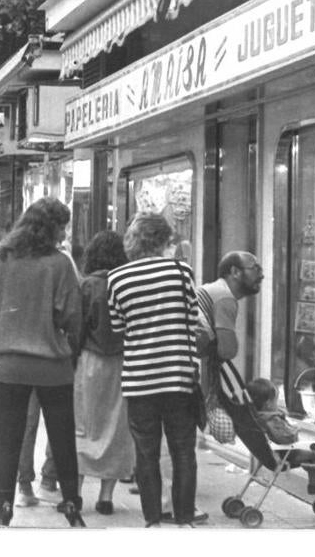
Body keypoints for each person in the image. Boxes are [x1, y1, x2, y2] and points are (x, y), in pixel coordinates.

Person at [0, 198, 85, 528]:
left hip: (9, 365)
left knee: (8, 439)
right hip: (52, 366)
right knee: (62, 438)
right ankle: (72, 505)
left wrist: (2, 340)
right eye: (62, 227)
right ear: (50, 228)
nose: (64, 234)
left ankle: (5, 507)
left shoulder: (0, 258)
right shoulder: (60, 264)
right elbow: (72, 315)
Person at [107, 212, 201, 527]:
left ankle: (152, 521)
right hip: (178, 377)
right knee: (183, 450)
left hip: (139, 379)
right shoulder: (180, 271)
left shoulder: (117, 278)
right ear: (163, 240)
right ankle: (184, 519)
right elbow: (192, 316)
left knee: (146, 452)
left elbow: (118, 326)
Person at [72, 230, 133, 516]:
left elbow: (77, 328)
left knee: (83, 425)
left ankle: (75, 492)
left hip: (89, 362)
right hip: (122, 363)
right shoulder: (126, 284)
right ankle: (106, 496)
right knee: (115, 429)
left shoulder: (87, 285)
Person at [244, 377, 315, 494]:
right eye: (275, 401)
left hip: (266, 455)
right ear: (268, 404)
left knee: (311, 458)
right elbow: (286, 439)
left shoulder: (255, 417)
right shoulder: (272, 419)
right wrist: (295, 430)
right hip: (283, 455)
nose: (277, 404)